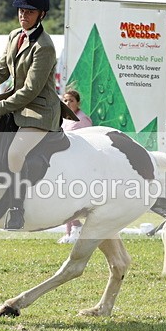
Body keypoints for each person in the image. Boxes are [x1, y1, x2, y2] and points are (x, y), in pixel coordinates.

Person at [0, 0, 60, 230]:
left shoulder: (44, 47)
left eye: (29, 11)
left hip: (38, 112)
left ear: (41, 14)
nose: (24, 15)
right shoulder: (14, 36)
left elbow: (30, 90)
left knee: (14, 153)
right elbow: (1, 71)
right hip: (16, 104)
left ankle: (16, 209)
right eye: (21, 11)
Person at [58, 89, 92, 244]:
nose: (67, 103)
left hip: (78, 164)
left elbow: (85, 141)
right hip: (65, 161)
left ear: (78, 102)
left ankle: (76, 228)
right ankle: (69, 231)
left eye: (71, 100)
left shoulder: (82, 119)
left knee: (72, 197)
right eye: (65, 100)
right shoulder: (65, 119)